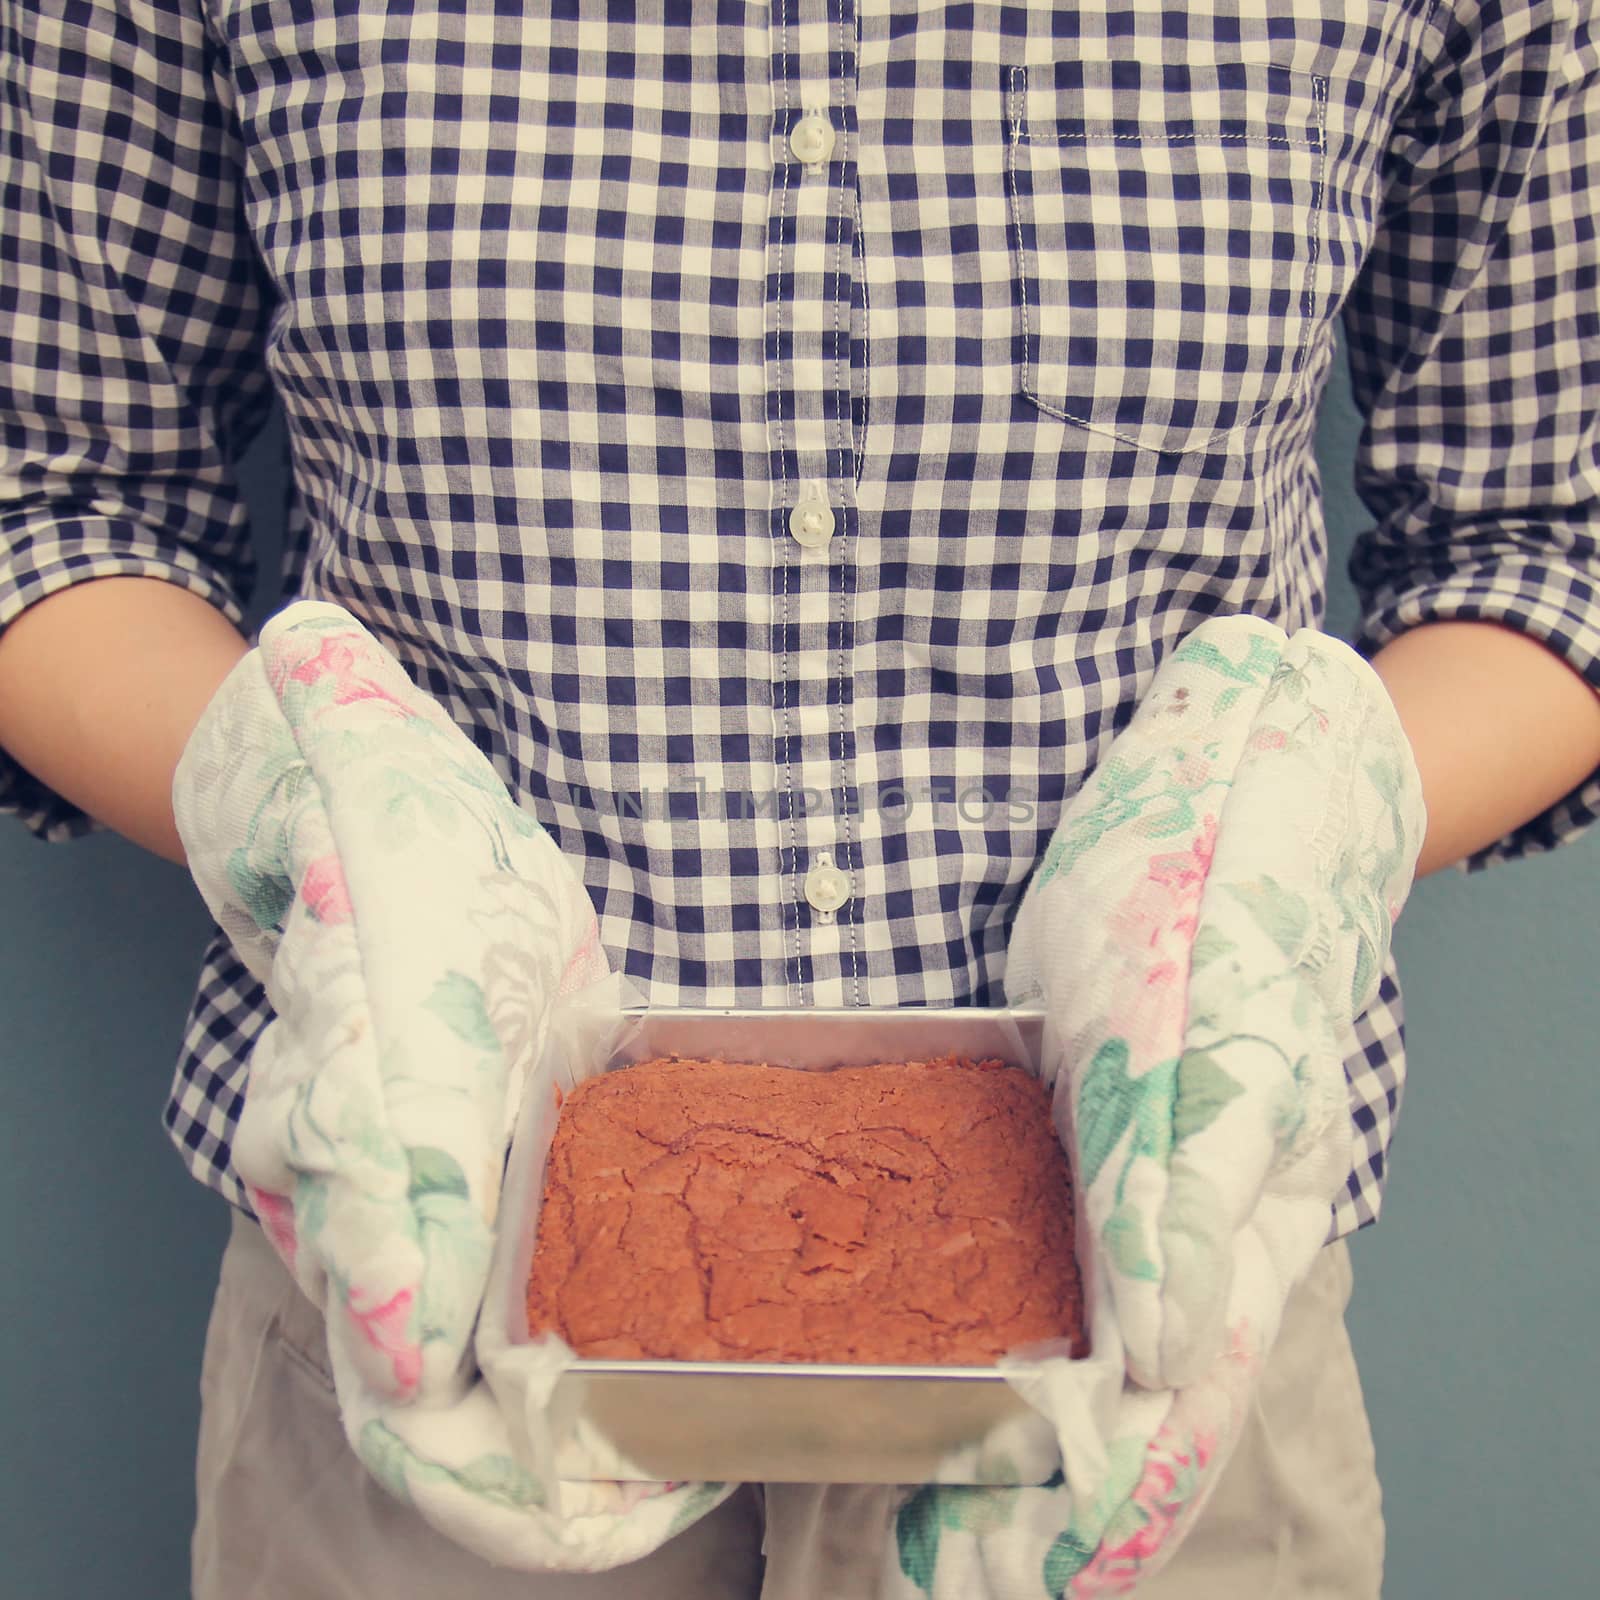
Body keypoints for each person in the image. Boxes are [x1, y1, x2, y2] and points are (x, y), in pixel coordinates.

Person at [2, 1, 1598, 1595]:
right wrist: (337, 849)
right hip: (416, 1282)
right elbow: (55, 503)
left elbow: (1544, 549)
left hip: (1158, 1304)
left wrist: (1273, 860)